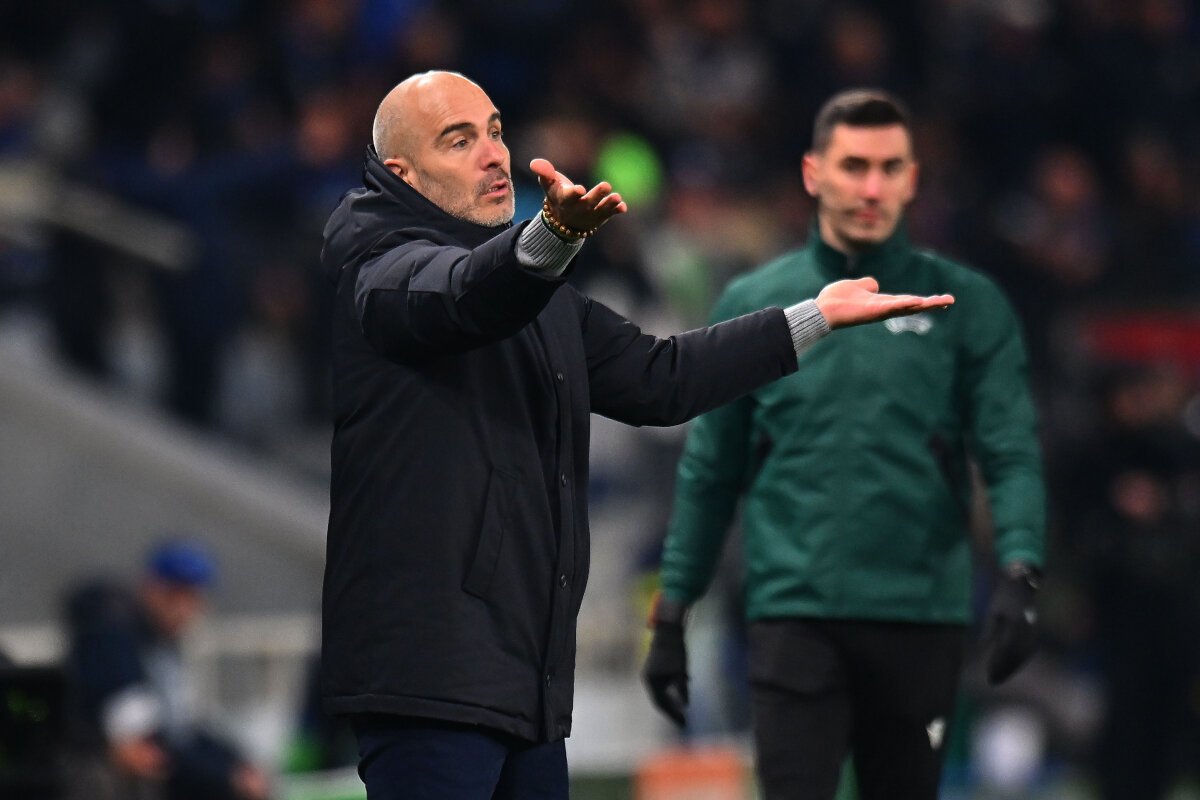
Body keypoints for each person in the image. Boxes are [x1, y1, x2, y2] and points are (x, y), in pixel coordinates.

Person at [319, 70, 952, 800]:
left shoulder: (541, 302)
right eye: (458, 141)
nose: (493, 154)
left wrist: (811, 317)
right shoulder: (382, 272)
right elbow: (465, 297)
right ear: (403, 173)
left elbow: (662, 378)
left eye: (494, 131)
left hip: (524, 685)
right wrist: (550, 239)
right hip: (429, 683)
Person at [642, 89, 1046, 800]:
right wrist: (674, 608)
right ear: (812, 173)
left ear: (913, 180)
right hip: (794, 614)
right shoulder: (755, 305)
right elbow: (712, 468)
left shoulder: (967, 306)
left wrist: (1021, 570)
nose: (872, 187)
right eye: (854, 165)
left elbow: (1009, 450)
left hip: (920, 614)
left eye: (890, 168)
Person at [61, 538, 271, 800]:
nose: (184, 609)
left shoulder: (161, 645)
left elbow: (182, 730)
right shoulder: (113, 641)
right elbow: (147, 748)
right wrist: (227, 778)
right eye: (175, 595)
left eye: (192, 598)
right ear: (151, 588)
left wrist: (237, 763)